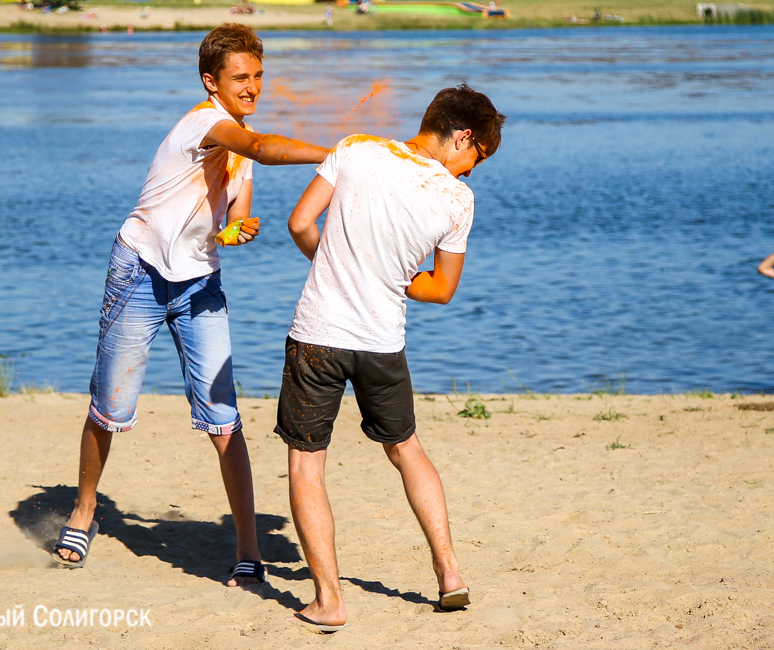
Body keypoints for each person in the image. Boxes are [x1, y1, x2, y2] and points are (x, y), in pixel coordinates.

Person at [51, 24, 329, 588]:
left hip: (200, 283)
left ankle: (248, 548)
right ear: (212, 82)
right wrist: (337, 155)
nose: (252, 87)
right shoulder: (205, 124)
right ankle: (83, 510)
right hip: (141, 273)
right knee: (112, 404)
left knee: (223, 416)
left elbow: (237, 210)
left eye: (257, 77)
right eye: (240, 78)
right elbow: (260, 148)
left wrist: (236, 230)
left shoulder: (239, 141)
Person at [277, 84, 506, 631]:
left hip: (318, 337)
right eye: (476, 158)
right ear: (462, 137)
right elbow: (441, 289)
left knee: (307, 464)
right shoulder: (455, 200)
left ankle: (330, 601)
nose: (471, 172)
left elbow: (299, 223)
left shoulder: (356, 149)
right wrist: (392, 280)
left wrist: (334, 264)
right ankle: (450, 573)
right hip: (382, 343)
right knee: (406, 449)